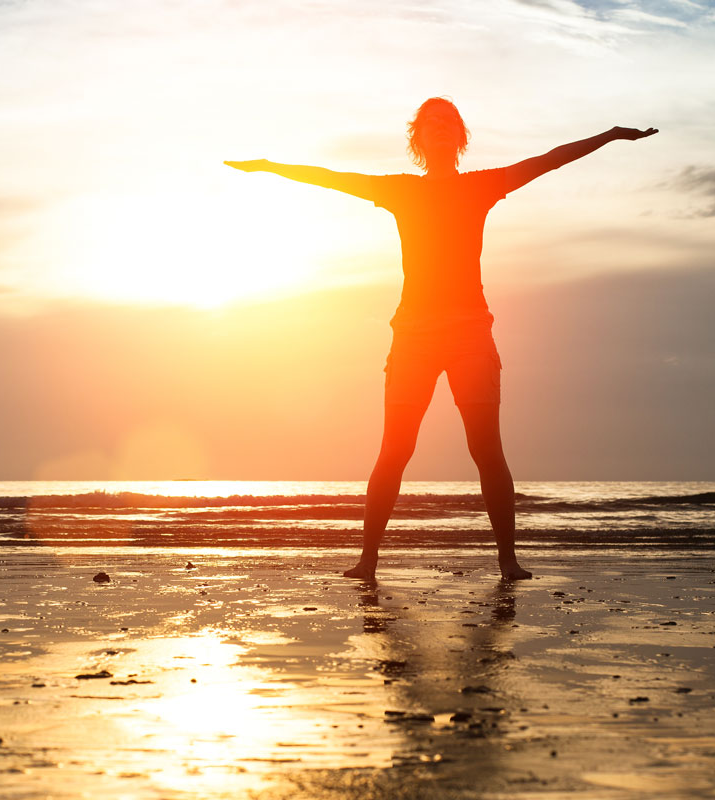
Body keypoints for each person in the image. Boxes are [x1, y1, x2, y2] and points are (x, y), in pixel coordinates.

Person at [226, 97, 657, 581]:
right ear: (418, 138)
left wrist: (610, 135)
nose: (438, 129)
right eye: (429, 123)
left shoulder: (482, 186)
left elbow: (547, 160)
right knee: (395, 449)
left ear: (459, 136)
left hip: (471, 331)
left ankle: (508, 560)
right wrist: (269, 167)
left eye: (447, 122)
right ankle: (366, 561)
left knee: (486, 449)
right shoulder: (400, 192)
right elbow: (332, 178)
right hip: (412, 334)